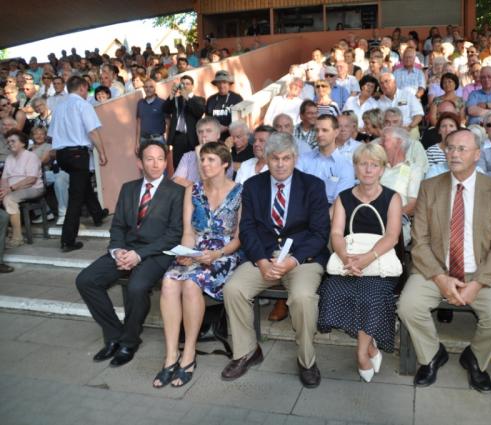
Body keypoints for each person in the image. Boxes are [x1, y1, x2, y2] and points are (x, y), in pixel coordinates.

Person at [397, 129, 491, 392]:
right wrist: (441, 279)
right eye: (450, 148)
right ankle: (431, 355)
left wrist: (477, 284)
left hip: (481, 271)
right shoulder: (430, 188)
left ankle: (475, 359)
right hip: (435, 269)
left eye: (462, 149)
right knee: (408, 306)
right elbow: (420, 241)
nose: (454, 154)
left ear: (477, 154)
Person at [221, 132, 330, 389]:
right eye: (275, 158)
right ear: (266, 158)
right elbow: (247, 229)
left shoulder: (313, 186)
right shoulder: (253, 186)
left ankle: (306, 360)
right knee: (234, 289)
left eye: (286, 158)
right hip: (264, 257)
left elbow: (320, 233)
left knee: (303, 298)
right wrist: (261, 261)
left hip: (302, 259)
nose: (280, 164)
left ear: (295, 158)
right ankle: (246, 352)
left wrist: (293, 261)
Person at [76, 141, 184, 367]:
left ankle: (130, 341)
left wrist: (139, 255)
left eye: (160, 159)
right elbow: (117, 226)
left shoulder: (177, 192)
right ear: (140, 163)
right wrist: (117, 250)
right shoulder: (128, 188)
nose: (156, 164)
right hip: (126, 249)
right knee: (86, 280)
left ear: (166, 162)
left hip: (157, 253)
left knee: (136, 287)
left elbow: (174, 235)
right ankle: (114, 334)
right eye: (149, 159)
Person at [154, 143, 243, 388]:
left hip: (224, 254)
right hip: (196, 249)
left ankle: (189, 353)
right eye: (202, 159)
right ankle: (171, 354)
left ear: (225, 164)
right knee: (169, 281)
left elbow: (239, 238)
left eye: (211, 159)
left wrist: (216, 254)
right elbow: (188, 232)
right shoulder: (192, 190)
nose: (204, 164)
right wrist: (186, 253)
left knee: (192, 284)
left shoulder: (239, 191)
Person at [317, 143, 402, 382]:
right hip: (350, 260)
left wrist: (365, 260)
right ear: (355, 167)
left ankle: (361, 353)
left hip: (380, 263)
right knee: (332, 291)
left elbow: (392, 236)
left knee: (369, 295)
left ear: (382, 169)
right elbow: (336, 233)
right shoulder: (344, 198)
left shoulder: (392, 197)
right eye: (363, 164)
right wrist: (346, 258)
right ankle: (370, 347)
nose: (368, 169)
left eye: (374, 165)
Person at [49, 76, 108, 253]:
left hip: (62, 154)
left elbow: (51, 134)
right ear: (82, 88)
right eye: (86, 90)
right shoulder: (83, 105)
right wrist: (102, 152)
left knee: (82, 184)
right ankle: (68, 240)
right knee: (76, 197)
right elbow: (93, 131)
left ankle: (97, 214)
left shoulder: (59, 107)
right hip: (77, 154)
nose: (87, 93)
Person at [297, 114, 355, 206]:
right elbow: (295, 190)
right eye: (317, 130)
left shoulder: (346, 166)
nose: (319, 134)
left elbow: (339, 205)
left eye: (325, 130)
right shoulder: (303, 159)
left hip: (330, 211)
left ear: (336, 132)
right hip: (302, 208)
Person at [0, 130, 45, 248]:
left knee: (9, 199)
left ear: (23, 143)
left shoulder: (31, 156)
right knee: (4, 196)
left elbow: (31, 180)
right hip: (13, 189)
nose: (10, 144)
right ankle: (6, 232)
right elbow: (4, 178)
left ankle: (17, 237)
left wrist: (10, 189)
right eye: (8, 142)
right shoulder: (9, 158)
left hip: (32, 188)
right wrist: (3, 190)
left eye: (13, 141)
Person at [379, 126, 422, 247]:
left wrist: (388, 219)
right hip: (369, 219)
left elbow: (413, 205)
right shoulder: (378, 167)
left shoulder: (413, 169)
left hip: (396, 226)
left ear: (398, 142)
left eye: (384, 139)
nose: (380, 143)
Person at [173, 117, 230, 188]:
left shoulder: (224, 156)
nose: (204, 135)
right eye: (200, 132)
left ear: (218, 135)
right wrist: (199, 188)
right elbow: (176, 180)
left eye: (208, 131)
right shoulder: (188, 156)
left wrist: (199, 156)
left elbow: (211, 186)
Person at [163, 75, 206, 168]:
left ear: (192, 86)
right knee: (178, 166)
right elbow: (165, 109)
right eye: (182, 84)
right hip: (178, 138)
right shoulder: (176, 100)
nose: (185, 86)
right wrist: (172, 94)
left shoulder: (199, 100)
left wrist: (186, 97)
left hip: (192, 138)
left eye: (187, 84)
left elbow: (199, 112)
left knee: (193, 167)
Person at [377, 73, 424, 140]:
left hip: (409, 129)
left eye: (387, 81)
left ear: (394, 82)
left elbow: (419, 115)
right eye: (381, 83)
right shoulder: (379, 102)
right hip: (389, 133)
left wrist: (409, 127)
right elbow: (379, 122)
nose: (384, 85)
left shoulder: (408, 95)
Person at [136, 79, 167, 147]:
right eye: (146, 87)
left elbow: (168, 122)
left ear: (155, 88)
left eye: (151, 87)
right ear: (143, 88)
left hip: (158, 139)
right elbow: (139, 123)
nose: (148, 89)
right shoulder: (140, 103)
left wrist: (168, 141)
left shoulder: (162, 103)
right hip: (144, 140)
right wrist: (137, 142)